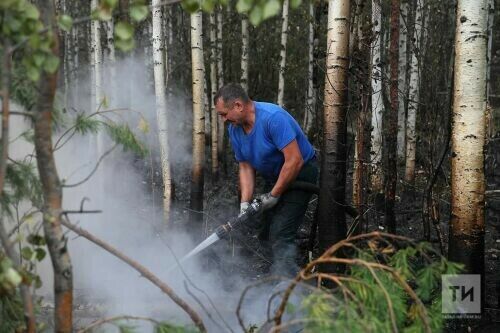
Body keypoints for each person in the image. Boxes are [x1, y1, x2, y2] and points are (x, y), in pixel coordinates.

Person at [214, 83, 318, 277]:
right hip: (277, 176)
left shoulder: (273, 118)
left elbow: (294, 160)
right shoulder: (235, 129)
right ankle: (277, 272)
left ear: (238, 105)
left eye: (224, 114)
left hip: (301, 173)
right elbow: (245, 166)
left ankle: (289, 288)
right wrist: (245, 203)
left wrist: (274, 195)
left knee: (281, 233)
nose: (223, 120)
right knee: (265, 232)